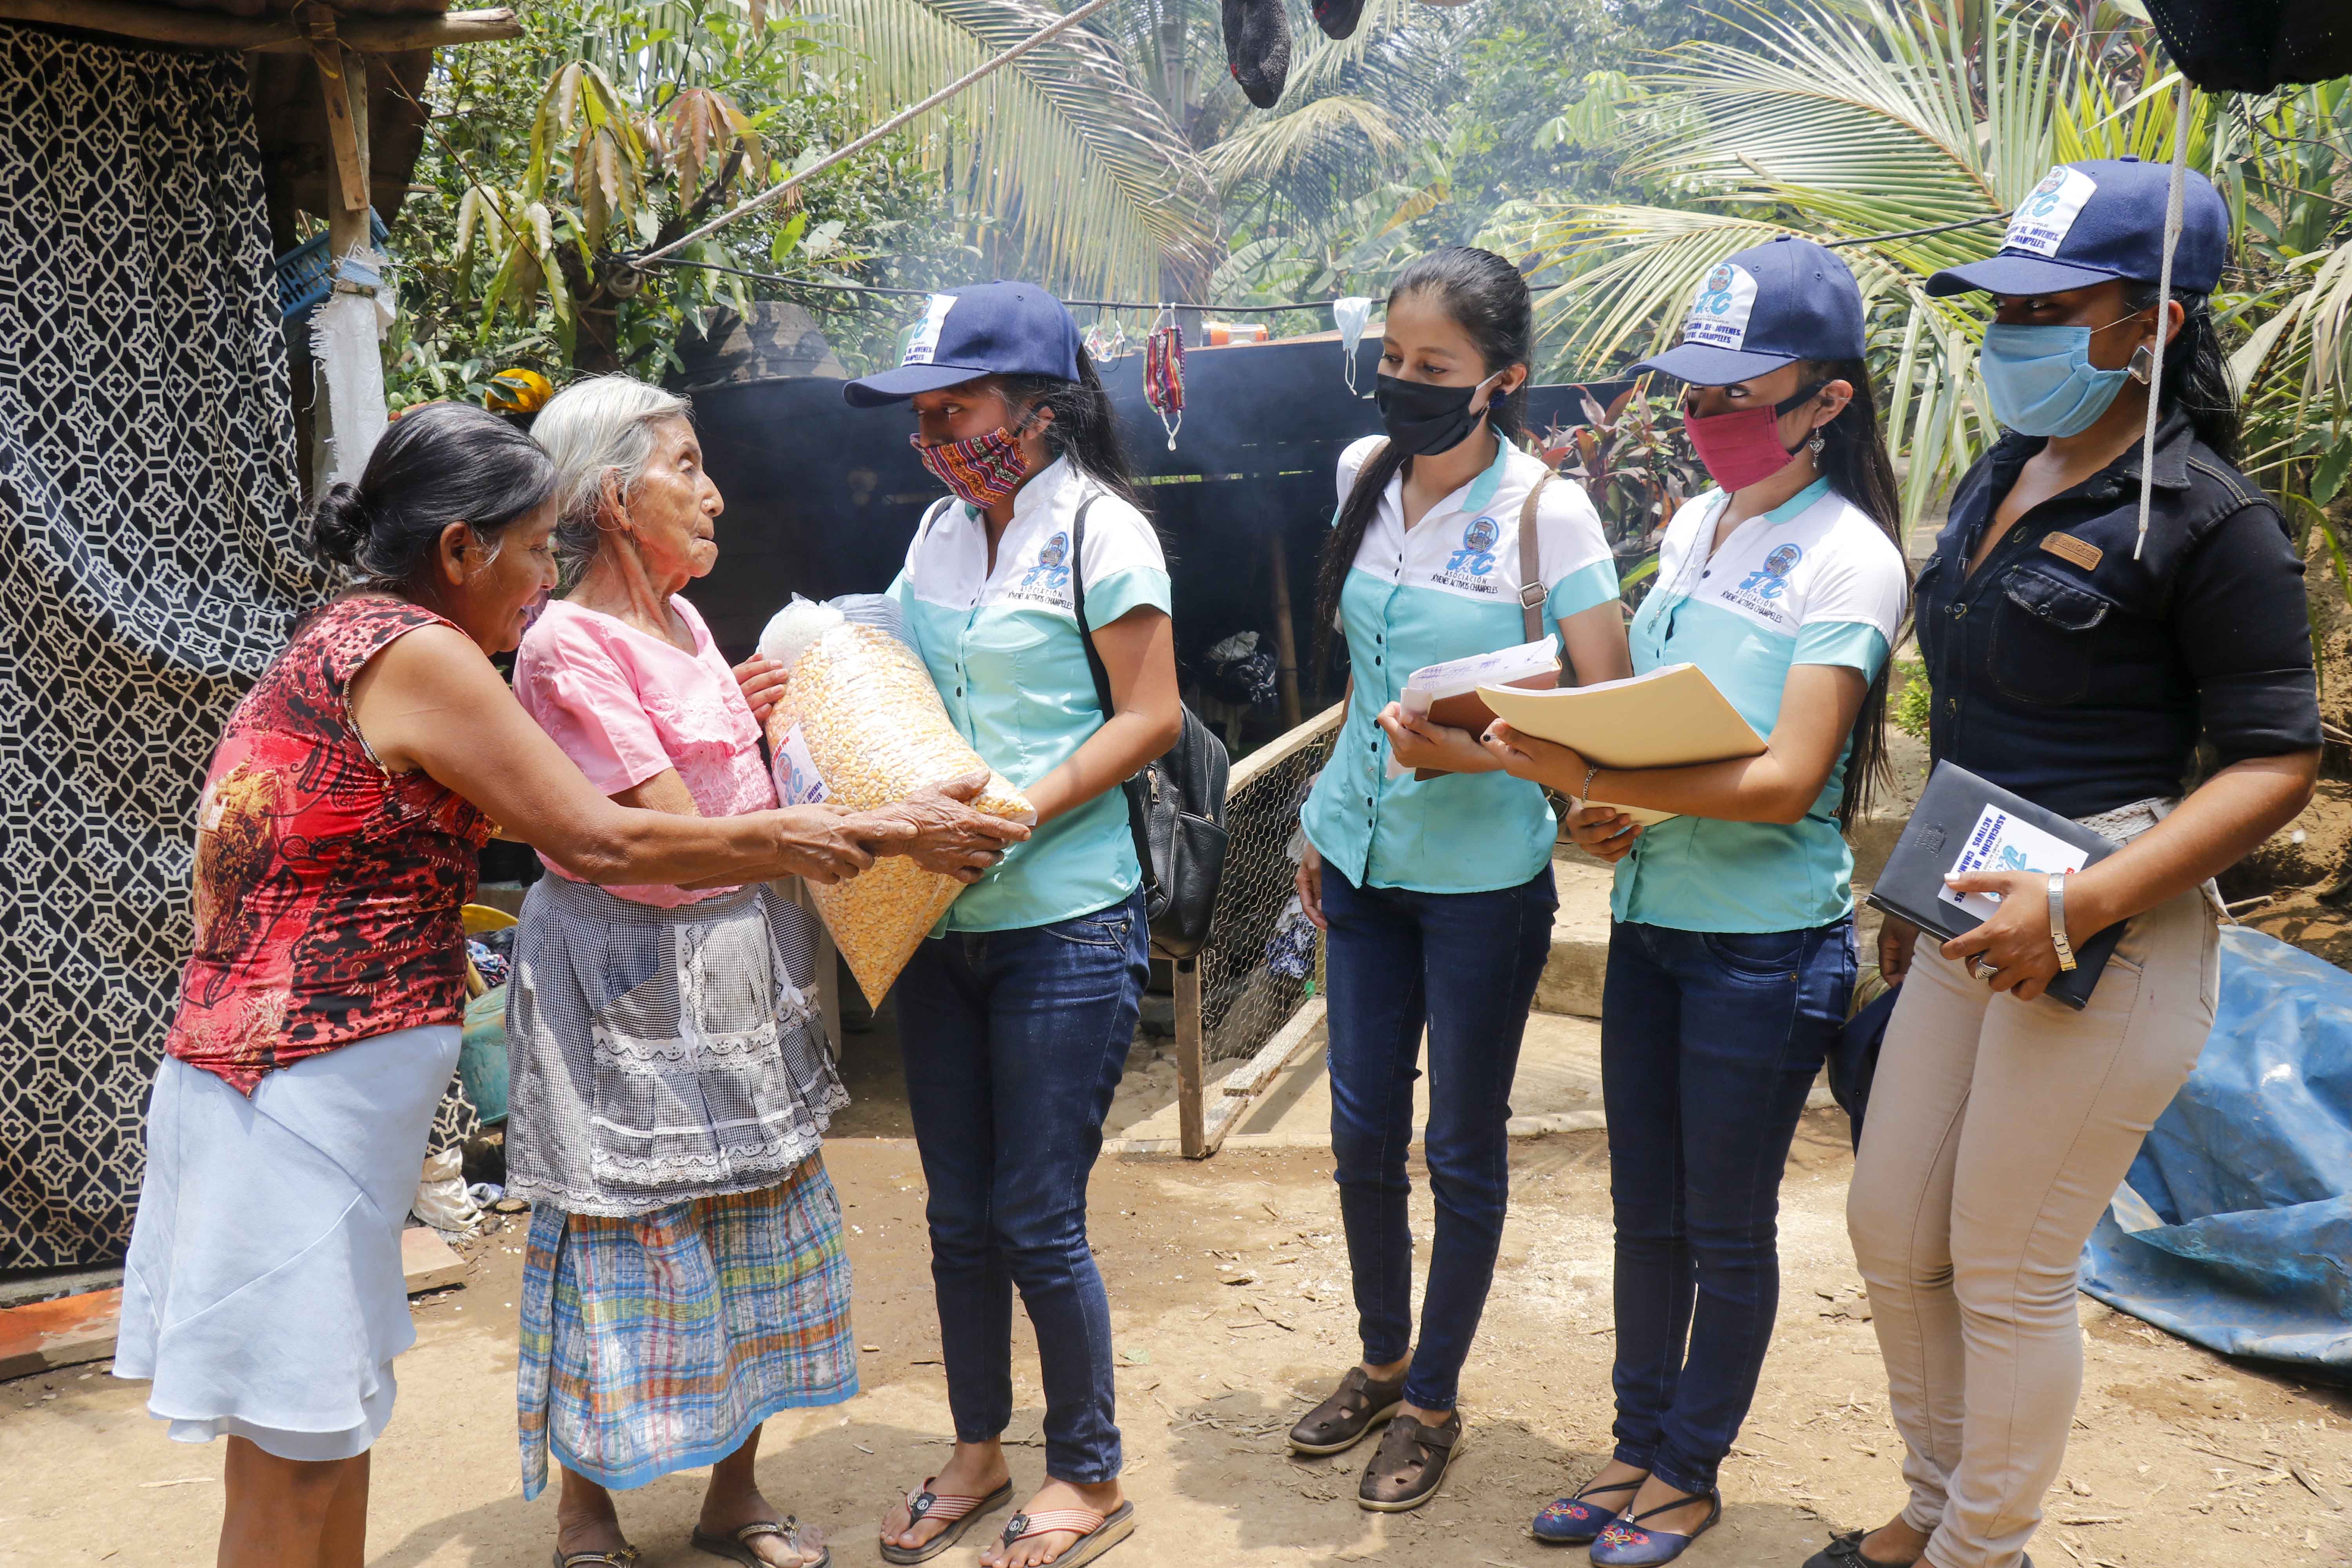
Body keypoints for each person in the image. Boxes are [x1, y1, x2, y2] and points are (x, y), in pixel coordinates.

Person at [112, 403, 969, 1568]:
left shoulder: (356, 637)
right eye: (531, 549)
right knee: (296, 1459)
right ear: (461, 550)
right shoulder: (421, 655)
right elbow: (612, 843)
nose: (544, 579)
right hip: (292, 1098)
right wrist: (860, 830)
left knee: (329, 1427)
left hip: (293, 1097)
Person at [1813, 160, 2319, 1568]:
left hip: (2109, 931)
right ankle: (1929, 1509)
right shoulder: (2002, 473)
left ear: (2150, 322)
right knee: (1891, 1224)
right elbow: (1974, 717)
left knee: (2007, 1265)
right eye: (2004, 301)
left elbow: (2278, 763)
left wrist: (2080, 903)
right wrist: (1919, 902)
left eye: (2052, 301)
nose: (2012, 328)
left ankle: (1986, 1550)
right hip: (1969, 923)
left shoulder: (2209, 521)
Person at [503, 376, 1030, 1568]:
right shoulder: (566, 648)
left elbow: (708, 779)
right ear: (608, 498)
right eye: (684, 467)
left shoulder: (683, 629)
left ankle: (731, 1498)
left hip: (732, 964)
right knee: (622, 1233)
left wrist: (731, 714)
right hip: (630, 980)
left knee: (750, 1226)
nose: (714, 493)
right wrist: (892, 829)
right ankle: (588, 1515)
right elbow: (675, 837)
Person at [1479, 237, 1909, 1564]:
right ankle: (1633, 1444)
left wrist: (1587, 765)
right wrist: (1592, 768)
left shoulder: (1853, 559)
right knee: (1645, 1212)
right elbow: (1672, 723)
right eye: (1693, 391)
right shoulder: (1693, 526)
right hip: (1659, 927)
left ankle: (1690, 1470)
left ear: (1828, 400)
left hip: (1766, 953)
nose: (1704, 418)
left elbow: (1787, 782)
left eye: (1736, 393)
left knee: (1724, 1228)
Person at [1285, 245, 1632, 1513]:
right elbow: (1364, 685)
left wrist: (1480, 751)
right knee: (1362, 1125)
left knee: (1460, 1144)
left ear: (1503, 380)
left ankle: (1435, 1400)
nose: (1403, 385)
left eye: (1433, 367)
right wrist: (1322, 817)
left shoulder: (1551, 513)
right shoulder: (1357, 479)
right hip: (1363, 859)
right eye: (1391, 361)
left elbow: (1609, 713)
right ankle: (1383, 1361)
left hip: (1485, 876)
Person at [848, 282, 1182, 1568]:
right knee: (955, 1213)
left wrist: (1023, 809)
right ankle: (979, 1451)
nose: (936, 432)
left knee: (1037, 1212)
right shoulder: (936, 533)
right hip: (943, 919)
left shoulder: (1103, 532)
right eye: (923, 413)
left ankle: (1088, 1473)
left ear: (1040, 410)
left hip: (1066, 920)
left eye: (959, 407)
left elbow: (1148, 713)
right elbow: (888, 678)